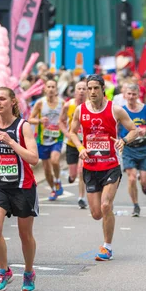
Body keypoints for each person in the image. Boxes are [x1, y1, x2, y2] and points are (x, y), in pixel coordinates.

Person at [68, 74, 139, 261]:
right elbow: (72, 133)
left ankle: (107, 247)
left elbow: (134, 130)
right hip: (90, 167)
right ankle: (107, 212)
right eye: (89, 88)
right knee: (96, 213)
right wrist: (81, 148)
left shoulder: (115, 110)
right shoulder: (80, 110)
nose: (91, 92)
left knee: (106, 205)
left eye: (95, 88)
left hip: (110, 165)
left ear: (102, 89)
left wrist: (124, 140)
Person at [0, 87, 39, 291]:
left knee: (25, 235)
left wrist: (12, 142)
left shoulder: (23, 126)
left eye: (2, 99)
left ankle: (29, 271)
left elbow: (33, 158)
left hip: (22, 186)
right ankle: (4, 270)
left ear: (12, 102)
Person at [120, 84, 146, 216]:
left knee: (144, 180)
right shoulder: (121, 111)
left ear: (138, 95)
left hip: (143, 148)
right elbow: (114, 129)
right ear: (125, 95)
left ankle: (144, 184)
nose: (131, 97)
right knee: (131, 178)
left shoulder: (145, 109)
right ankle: (135, 205)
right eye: (129, 94)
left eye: (134, 94)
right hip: (128, 149)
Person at [29, 78, 64, 201]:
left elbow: (67, 119)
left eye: (53, 87)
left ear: (56, 90)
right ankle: (53, 189)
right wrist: (39, 121)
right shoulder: (40, 103)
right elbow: (30, 119)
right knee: (47, 170)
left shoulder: (62, 103)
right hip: (43, 140)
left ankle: (58, 180)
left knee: (54, 160)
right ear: (44, 89)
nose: (50, 89)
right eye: (48, 87)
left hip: (57, 138)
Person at [59, 80, 88, 209]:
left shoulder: (90, 105)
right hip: (72, 143)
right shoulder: (68, 105)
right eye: (79, 89)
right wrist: (67, 133)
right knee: (73, 174)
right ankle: (71, 177)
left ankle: (81, 197)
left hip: (85, 143)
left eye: (84, 88)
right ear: (75, 91)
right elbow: (61, 121)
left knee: (82, 170)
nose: (81, 91)